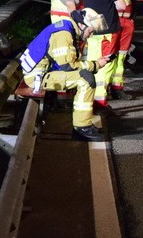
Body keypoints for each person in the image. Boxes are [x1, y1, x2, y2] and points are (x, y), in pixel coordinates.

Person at [19, 9, 113, 142]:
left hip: (41, 73)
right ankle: (82, 127)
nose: (90, 35)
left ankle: (83, 124)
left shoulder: (68, 29)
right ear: (81, 25)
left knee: (85, 75)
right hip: (36, 78)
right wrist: (95, 65)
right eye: (90, 31)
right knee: (86, 79)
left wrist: (94, 64)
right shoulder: (64, 34)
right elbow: (68, 67)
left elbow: (70, 63)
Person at [81, 0, 127, 109]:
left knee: (93, 62)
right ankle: (100, 100)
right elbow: (122, 5)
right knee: (106, 64)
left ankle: (89, 96)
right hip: (108, 30)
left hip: (94, 26)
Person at [107, 0, 137, 100]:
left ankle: (117, 88)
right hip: (113, 20)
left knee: (122, 56)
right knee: (108, 55)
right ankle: (104, 88)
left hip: (126, 21)